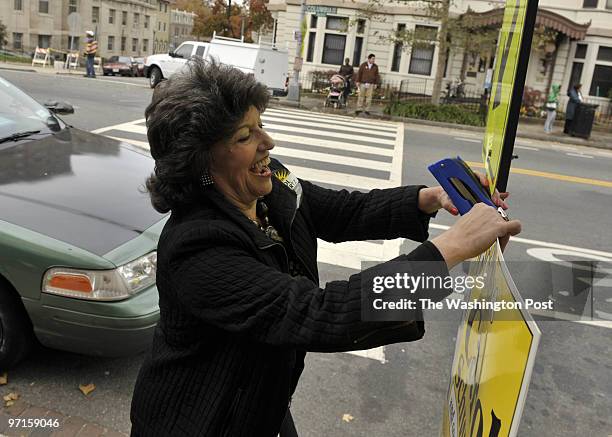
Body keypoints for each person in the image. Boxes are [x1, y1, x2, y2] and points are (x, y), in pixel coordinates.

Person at [129, 59, 520, 437]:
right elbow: (318, 313)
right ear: (201, 161)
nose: (268, 142)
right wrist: (449, 248)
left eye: (260, 125)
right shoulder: (198, 248)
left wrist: (427, 199)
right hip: (201, 420)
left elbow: (341, 211)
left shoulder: (271, 181)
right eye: (245, 137)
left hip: (257, 401)